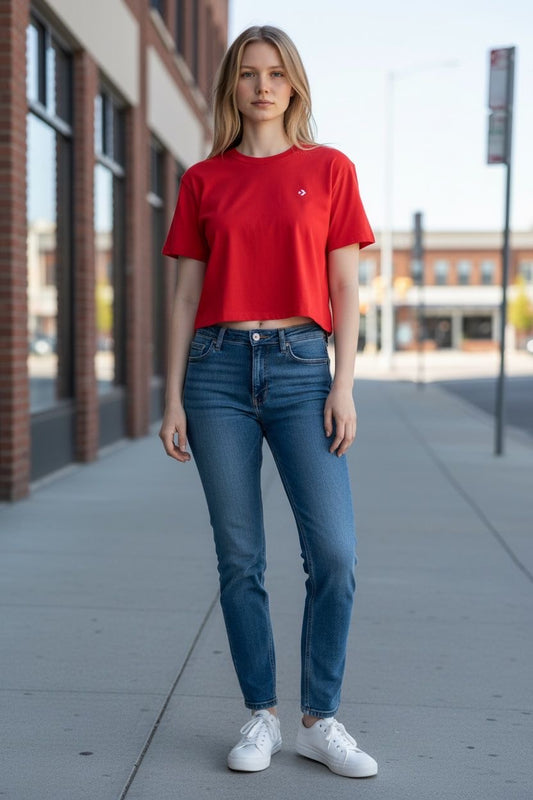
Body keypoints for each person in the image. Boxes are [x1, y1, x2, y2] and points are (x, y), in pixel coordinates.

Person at [159, 24, 378, 779]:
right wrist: (172, 397)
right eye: (249, 73)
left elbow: (346, 287)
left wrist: (342, 382)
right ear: (232, 86)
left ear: (293, 86)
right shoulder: (203, 180)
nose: (261, 86)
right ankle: (261, 715)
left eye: (276, 74)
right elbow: (185, 292)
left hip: (300, 371)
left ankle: (320, 718)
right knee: (240, 558)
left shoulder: (329, 170)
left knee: (335, 555)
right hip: (215, 373)